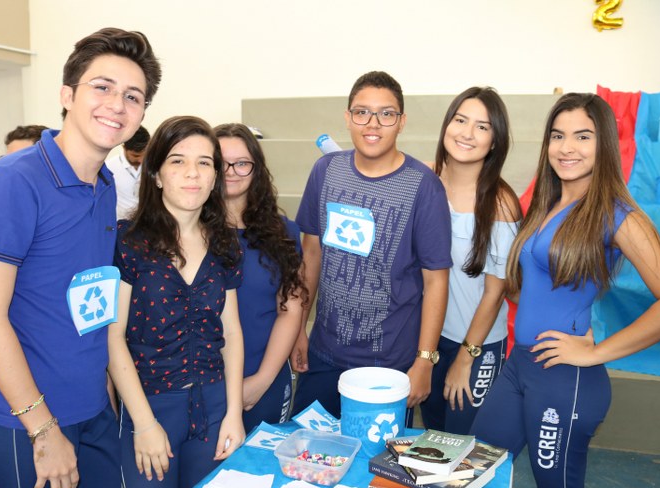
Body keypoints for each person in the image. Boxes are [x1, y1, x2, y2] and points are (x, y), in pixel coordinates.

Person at [470, 93, 660, 488]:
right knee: (474, 476)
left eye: (582, 136)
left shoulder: (617, 214)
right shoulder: (548, 204)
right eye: (557, 136)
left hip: (564, 380)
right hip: (521, 366)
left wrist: (597, 352)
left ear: (604, 144)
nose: (567, 148)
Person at [0, 28, 161, 488]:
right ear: (67, 95)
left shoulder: (105, 184)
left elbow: (89, 301)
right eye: (103, 87)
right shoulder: (15, 179)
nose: (117, 104)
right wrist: (42, 429)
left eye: (133, 96)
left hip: (92, 409)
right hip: (27, 419)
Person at [107, 116, 245, 488]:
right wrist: (144, 423)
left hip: (214, 406)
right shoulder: (128, 241)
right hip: (151, 406)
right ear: (156, 174)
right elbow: (113, 338)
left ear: (215, 176)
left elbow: (232, 334)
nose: (192, 173)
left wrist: (233, 413)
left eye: (204, 163)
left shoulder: (225, 242)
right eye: (178, 161)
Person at [291, 71, 452, 420]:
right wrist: (298, 329)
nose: (373, 123)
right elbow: (311, 255)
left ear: (402, 122)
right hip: (324, 354)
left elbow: (436, 280)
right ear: (348, 117)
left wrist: (425, 360)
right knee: (308, 448)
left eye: (386, 113)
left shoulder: (424, 186)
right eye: (362, 112)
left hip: (389, 364)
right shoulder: (325, 171)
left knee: (375, 455)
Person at [419, 87, 521, 434]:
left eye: (482, 126)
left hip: (476, 343)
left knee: (463, 445)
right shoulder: (426, 179)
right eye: (460, 120)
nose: (467, 133)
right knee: (432, 437)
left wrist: (466, 358)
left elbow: (495, 293)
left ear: (494, 141)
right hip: (429, 337)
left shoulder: (500, 203)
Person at [214, 122, 307, 433]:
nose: (230, 171)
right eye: (220, 162)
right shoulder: (188, 233)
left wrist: (261, 381)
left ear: (257, 169)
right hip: (202, 386)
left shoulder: (283, 233)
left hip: (263, 380)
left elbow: (290, 309)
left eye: (242, 163)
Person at [106, 124, 149, 220]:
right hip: (121, 223)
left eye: (144, 154)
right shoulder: (109, 168)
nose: (141, 160)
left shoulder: (153, 164)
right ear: (124, 147)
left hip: (147, 222)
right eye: (136, 156)